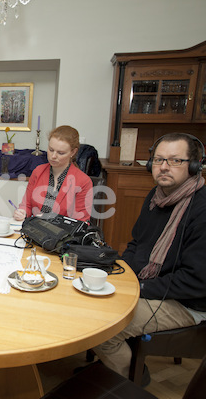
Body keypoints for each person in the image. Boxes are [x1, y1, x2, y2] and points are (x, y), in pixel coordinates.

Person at [92, 133, 206, 383]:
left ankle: (131, 380)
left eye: (175, 161)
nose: (164, 166)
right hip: (152, 287)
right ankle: (114, 365)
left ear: (195, 166)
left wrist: (138, 288)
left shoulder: (201, 209)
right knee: (91, 300)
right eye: (158, 159)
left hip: (187, 303)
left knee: (102, 328)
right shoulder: (155, 198)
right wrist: (120, 276)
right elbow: (136, 245)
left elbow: (196, 281)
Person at [13, 125, 93, 222]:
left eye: (61, 153)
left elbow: (81, 222)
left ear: (73, 152)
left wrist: (52, 221)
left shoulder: (83, 181)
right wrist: (23, 212)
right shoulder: (38, 172)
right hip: (34, 230)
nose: (53, 156)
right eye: (51, 150)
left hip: (63, 235)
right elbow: (27, 205)